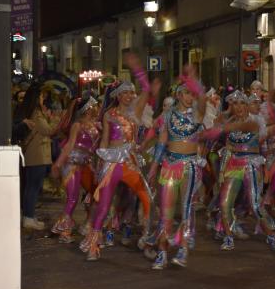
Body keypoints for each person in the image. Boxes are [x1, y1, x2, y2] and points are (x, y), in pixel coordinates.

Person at [80, 53, 160, 261]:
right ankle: (93, 245)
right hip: (112, 162)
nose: (129, 96)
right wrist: (100, 164)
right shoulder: (109, 115)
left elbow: (147, 92)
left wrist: (139, 71)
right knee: (104, 206)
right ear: (117, 95)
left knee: (147, 199)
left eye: (131, 93)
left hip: (130, 161)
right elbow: (105, 140)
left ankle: (148, 239)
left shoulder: (135, 114)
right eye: (125, 93)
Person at [204, 90, 275, 252]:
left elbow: (249, 130)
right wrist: (222, 172)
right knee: (225, 203)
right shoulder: (230, 121)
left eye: (242, 103)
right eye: (235, 103)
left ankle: (271, 237)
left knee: (254, 205)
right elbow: (228, 146)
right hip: (233, 164)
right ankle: (228, 236)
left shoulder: (255, 121)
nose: (238, 107)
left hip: (251, 164)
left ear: (247, 106)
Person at [147, 67, 207, 269]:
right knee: (166, 212)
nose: (190, 97)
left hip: (190, 166)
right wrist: (154, 167)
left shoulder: (198, 114)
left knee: (187, 209)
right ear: (179, 94)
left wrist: (194, 80)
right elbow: (162, 143)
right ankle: (162, 252)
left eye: (192, 94)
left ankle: (183, 248)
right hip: (170, 165)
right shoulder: (168, 116)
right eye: (187, 93)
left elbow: (203, 101)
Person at [50, 97, 100, 243]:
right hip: (71, 164)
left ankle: (88, 224)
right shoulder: (77, 126)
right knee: (72, 197)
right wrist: (57, 164)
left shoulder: (96, 126)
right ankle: (64, 231)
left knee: (95, 193)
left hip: (86, 164)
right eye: (95, 106)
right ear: (88, 108)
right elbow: (69, 146)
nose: (97, 108)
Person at [15, 84, 61, 230]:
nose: (43, 99)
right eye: (41, 96)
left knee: (31, 187)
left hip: (36, 155)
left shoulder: (34, 112)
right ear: (36, 98)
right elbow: (48, 130)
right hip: (37, 156)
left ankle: (29, 216)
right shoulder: (36, 113)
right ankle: (28, 217)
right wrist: (55, 119)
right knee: (33, 188)